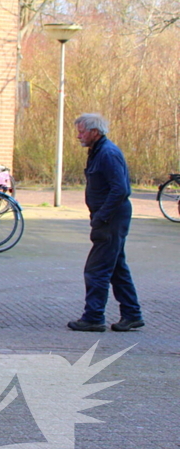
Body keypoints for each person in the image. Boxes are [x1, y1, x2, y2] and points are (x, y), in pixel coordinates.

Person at [68, 113, 144, 332]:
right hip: (110, 218)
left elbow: (120, 189)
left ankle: (93, 317)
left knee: (96, 269)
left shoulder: (107, 153)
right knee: (117, 267)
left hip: (110, 220)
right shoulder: (99, 151)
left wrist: (101, 216)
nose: (78, 135)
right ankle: (132, 314)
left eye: (82, 131)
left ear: (94, 132)